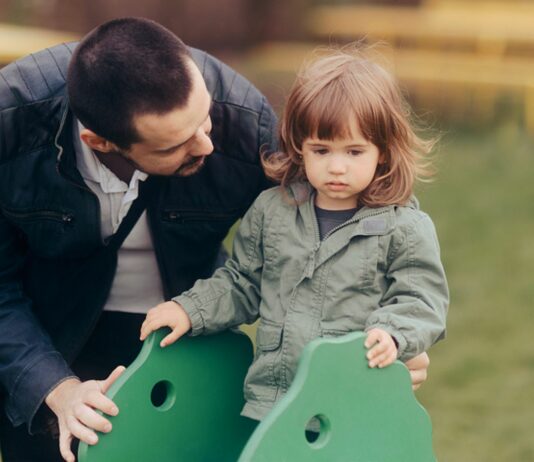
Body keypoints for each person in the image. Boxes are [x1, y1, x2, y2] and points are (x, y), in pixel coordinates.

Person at [0, 17, 278, 462]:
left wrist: (383, 330)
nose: (206, 144)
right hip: (45, 339)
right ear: (99, 142)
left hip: (186, 339)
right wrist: (55, 389)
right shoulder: (9, 122)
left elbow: (330, 233)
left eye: (204, 118)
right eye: (176, 145)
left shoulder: (247, 120)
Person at [140, 47, 449, 424]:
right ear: (300, 146)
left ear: (383, 152)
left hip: (352, 406)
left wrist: (394, 335)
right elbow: (243, 283)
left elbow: (421, 298)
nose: (337, 167)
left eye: (354, 151)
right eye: (321, 150)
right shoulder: (273, 211)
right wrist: (190, 309)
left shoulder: (403, 228)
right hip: (271, 403)